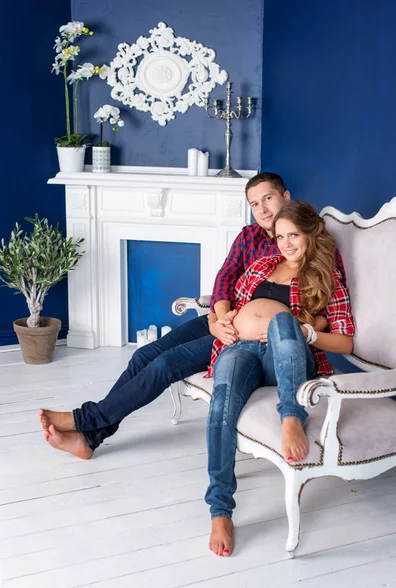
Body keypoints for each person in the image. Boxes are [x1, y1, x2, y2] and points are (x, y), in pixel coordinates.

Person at [39, 173, 346, 458]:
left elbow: (323, 303)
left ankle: (85, 421)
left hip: (245, 338)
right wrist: (218, 319)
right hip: (222, 322)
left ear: (286, 196)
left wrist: (300, 327)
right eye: (254, 203)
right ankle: (90, 437)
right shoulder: (249, 237)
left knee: (165, 365)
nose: (262, 209)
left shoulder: (301, 243)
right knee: (143, 355)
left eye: (268, 198)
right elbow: (225, 279)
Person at [205, 201, 354, 557]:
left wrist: (307, 331)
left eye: (294, 235)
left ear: (310, 235)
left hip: (283, 358)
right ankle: (220, 510)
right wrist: (217, 323)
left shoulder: (324, 277)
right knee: (221, 400)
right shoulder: (263, 265)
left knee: (284, 321)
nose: (286, 243)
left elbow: (346, 339)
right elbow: (227, 302)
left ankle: (291, 415)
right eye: (280, 235)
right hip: (239, 349)